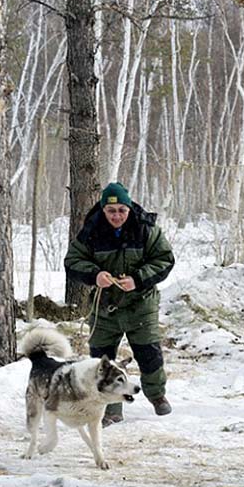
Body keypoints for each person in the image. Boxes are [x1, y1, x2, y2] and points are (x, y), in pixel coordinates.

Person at [65, 182, 176, 426]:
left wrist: (137, 279)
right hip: (105, 306)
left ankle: (157, 396)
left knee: (149, 355)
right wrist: (95, 275)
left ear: (129, 208)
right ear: (103, 210)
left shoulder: (146, 228)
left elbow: (164, 260)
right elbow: (73, 261)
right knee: (102, 359)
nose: (117, 216)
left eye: (121, 211)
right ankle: (111, 408)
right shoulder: (92, 230)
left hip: (141, 303)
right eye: (111, 211)